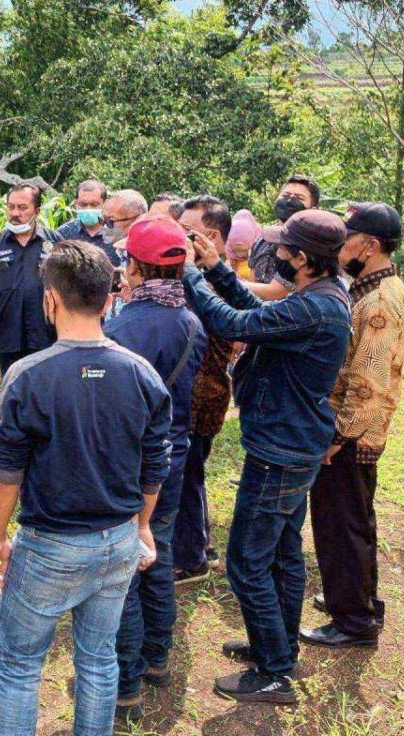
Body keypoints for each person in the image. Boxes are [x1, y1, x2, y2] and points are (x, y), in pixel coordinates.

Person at [0, 240, 170, 736]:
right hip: (117, 541)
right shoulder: (140, 374)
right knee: (98, 658)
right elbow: (156, 465)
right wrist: (143, 526)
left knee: (19, 662)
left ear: (50, 301)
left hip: (50, 544)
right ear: (109, 301)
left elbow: (7, 473)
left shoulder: (28, 375)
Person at [183, 209, 351, 704]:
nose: (274, 254)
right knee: (280, 552)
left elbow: (230, 322)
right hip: (290, 441)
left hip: (281, 448)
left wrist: (190, 273)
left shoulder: (316, 308)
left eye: (282, 248)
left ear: (301, 257)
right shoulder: (316, 297)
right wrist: (215, 267)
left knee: (247, 560)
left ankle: (274, 669)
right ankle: (273, 644)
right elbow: (253, 319)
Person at [106, 218, 207, 721]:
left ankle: (125, 681)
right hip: (175, 451)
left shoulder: (126, 326)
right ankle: (157, 656)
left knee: (124, 564)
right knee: (158, 552)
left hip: (132, 460)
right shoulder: (189, 318)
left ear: (139, 266)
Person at [302, 202, 404, 649]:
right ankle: (357, 602)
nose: (339, 248)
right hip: (354, 431)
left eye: (347, 239)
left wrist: (337, 437)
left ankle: (354, 623)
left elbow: (368, 381)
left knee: (341, 526)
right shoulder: (371, 289)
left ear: (370, 245)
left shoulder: (379, 300)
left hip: (351, 434)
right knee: (354, 522)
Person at [174, 196, 237, 585]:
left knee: (187, 475)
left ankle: (191, 557)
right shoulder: (202, 276)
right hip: (197, 394)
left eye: (186, 232)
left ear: (209, 236)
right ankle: (198, 543)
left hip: (202, 394)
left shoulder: (213, 282)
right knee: (189, 475)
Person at [0, 184, 63, 376]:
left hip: (47, 336)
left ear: (36, 211)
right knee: (13, 389)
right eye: (11, 207)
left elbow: (69, 289)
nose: (15, 213)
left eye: (22, 208)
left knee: (46, 391)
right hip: (9, 336)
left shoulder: (54, 242)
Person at [247, 174, 321, 300]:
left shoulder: (308, 246)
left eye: (298, 198)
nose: (289, 201)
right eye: (285, 196)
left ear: (313, 209)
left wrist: (227, 282)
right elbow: (252, 281)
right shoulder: (262, 240)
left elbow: (275, 293)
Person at [56, 179, 120, 265]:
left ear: (105, 204)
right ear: (76, 204)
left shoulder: (117, 233)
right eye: (83, 205)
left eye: (94, 205)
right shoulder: (63, 233)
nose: (88, 209)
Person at [226, 209, 262, 280]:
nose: (240, 255)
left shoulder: (260, 254)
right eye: (235, 251)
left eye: (244, 250)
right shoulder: (230, 260)